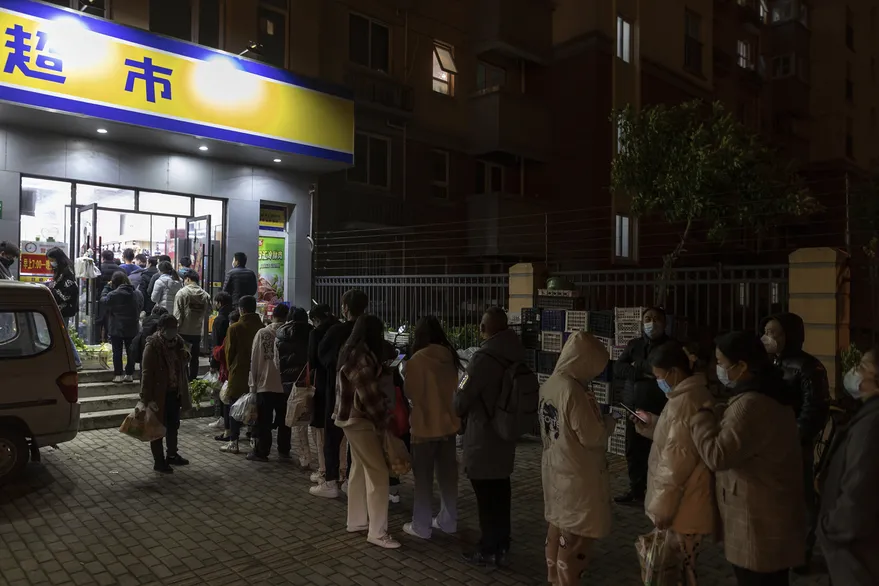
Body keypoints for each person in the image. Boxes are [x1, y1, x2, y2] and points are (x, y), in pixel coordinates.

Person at [689, 332, 804, 586]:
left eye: (722, 363)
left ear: (742, 366)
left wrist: (702, 418)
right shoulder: (771, 393)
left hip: (757, 521)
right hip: (774, 514)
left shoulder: (750, 404)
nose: (718, 369)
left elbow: (717, 456)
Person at [636, 341, 716, 586]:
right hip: (690, 501)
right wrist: (654, 425)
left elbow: (675, 464)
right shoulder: (690, 396)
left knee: (678, 572)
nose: (659, 381)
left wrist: (661, 510)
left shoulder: (684, 403)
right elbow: (677, 440)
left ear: (674, 371)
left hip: (683, 507)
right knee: (684, 568)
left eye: (660, 376)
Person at [539, 331, 616, 586]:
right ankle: (568, 576)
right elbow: (592, 436)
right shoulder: (574, 390)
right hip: (579, 475)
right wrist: (608, 423)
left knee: (559, 528)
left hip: (554, 469)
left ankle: (553, 575)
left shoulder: (550, 384)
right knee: (579, 535)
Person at [760, 312, 830, 572]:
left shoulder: (810, 367)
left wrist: (794, 438)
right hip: (770, 445)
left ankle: (802, 553)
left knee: (801, 500)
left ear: (791, 335)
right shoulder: (770, 364)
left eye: (774, 332)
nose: (768, 337)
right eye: (766, 331)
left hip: (794, 446)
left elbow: (814, 409)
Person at [455, 307, 524, 566]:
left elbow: (461, 399)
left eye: (482, 325)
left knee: (485, 494)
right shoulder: (516, 352)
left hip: (482, 434)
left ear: (487, 329)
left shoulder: (482, 358)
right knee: (500, 490)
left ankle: (488, 547)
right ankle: (502, 541)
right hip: (505, 432)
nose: (479, 329)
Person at [333, 314, 399, 549]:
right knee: (378, 472)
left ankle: (357, 520)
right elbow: (369, 396)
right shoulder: (361, 357)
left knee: (359, 470)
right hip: (360, 420)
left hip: (349, 419)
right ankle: (377, 531)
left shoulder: (350, 351)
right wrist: (385, 422)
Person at [817, 348, 879, 586]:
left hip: (859, 555)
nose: (855, 372)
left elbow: (859, 491)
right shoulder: (868, 416)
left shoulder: (871, 425)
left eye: (863, 367)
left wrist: (830, 529)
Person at [401, 316, 461, 540]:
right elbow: (458, 386)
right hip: (448, 426)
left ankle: (422, 525)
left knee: (423, 479)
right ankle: (449, 520)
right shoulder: (450, 358)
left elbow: (411, 393)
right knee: (448, 476)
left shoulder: (417, 360)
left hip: (424, 427)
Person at [311, 289, 369, 499]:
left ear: (345, 308)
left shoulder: (335, 332)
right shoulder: (370, 330)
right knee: (358, 440)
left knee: (333, 438)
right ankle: (351, 480)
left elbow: (321, 359)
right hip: (364, 394)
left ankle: (331, 481)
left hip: (336, 392)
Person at [613, 307, 671, 505]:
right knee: (633, 451)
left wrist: (639, 366)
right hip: (634, 408)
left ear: (664, 323)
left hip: (660, 409)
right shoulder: (634, 345)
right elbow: (618, 368)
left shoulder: (671, 347)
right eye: (647, 318)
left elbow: (666, 371)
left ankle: (658, 493)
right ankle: (636, 491)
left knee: (658, 453)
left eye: (656, 319)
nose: (652, 323)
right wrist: (640, 372)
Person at [140, 314, 192, 473]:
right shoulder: (152, 347)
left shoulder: (178, 343)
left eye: (175, 327)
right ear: (161, 329)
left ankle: (172, 454)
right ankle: (159, 461)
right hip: (158, 395)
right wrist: (146, 398)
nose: (173, 331)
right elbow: (146, 374)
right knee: (157, 428)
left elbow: (184, 363)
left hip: (174, 392)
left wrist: (186, 356)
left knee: (173, 425)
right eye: (170, 328)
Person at [221, 295, 264, 454]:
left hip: (239, 372)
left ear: (241, 309)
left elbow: (229, 353)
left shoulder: (235, 328)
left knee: (234, 406)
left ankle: (234, 441)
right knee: (254, 407)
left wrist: (232, 368)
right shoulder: (262, 327)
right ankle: (254, 438)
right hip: (258, 373)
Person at [247, 303, 289, 462]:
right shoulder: (290, 333)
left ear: (272, 316)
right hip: (285, 385)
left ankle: (262, 451)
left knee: (264, 420)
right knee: (285, 420)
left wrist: (253, 384)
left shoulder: (263, 333)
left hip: (265, 384)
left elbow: (255, 359)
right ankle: (284, 450)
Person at [275, 306, 314, 468]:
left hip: (286, 380)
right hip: (307, 380)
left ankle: (284, 449)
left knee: (287, 415)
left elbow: (277, 361)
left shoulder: (281, 334)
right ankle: (306, 455)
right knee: (307, 418)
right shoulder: (312, 333)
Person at [307, 304, 338, 483]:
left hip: (322, 384)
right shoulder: (342, 330)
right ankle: (342, 470)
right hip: (341, 385)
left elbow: (312, 361)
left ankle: (324, 470)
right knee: (340, 431)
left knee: (321, 431)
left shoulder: (316, 333)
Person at [101, 272, 143, 383]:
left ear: (114, 282)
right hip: (133, 327)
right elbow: (140, 306)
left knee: (117, 351)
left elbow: (103, 301)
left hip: (116, 327)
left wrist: (106, 287)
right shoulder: (137, 293)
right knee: (131, 351)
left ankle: (118, 375)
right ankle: (129, 374)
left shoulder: (113, 295)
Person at [46, 247, 81, 369]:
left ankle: (76, 360)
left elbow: (68, 292)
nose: (51, 262)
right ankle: (73, 360)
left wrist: (52, 290)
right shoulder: (62, 269)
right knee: (63, 334)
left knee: (63, 334)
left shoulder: (67, 271)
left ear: (57, 258)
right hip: (62, 307)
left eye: (52, 260)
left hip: (64, 308)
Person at [174, 270, 212, 381]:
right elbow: (208, 312)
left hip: (182, 331)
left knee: (182, 357)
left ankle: (183, 379)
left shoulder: (182, 293)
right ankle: (193, 379)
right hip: (196, 331)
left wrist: (175, 330)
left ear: (188, 279)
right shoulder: (205, 295)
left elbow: (177, 315)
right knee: (194, 357)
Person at [207, 292, 235, 431]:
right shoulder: (234, 317)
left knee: (222, 392)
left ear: (219, 302)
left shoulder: (219, 320)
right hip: (232, 360)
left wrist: (213, 363)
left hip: (222, 361)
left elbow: (217, 343)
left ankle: (224, 420)